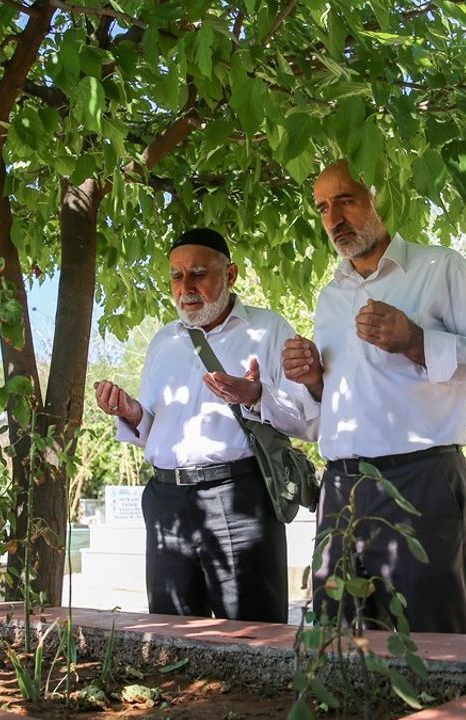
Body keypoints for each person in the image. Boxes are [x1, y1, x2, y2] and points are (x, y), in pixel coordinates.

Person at [283, 161, 466, 634]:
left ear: (379, 197)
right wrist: (313, 380)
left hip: (422, 482)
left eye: (346, 200)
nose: (334, 218)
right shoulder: (330, 296)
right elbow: (341, 400)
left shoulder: (440, 269)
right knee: (339, 646)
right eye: (323, 208)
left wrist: (417, 340)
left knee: (436, 647)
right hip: (340, 489)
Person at [93, 228, 318, 623]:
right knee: (171, 634)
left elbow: (308, 422)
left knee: (253, 639)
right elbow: (153, 430)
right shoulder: (163, 342)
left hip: (240, 499)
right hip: (167, 503)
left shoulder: (269, 330)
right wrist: (130, 412)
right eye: (177, 277)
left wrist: (255, 395)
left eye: (198, 273)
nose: (187, 287)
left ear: (230, 275)